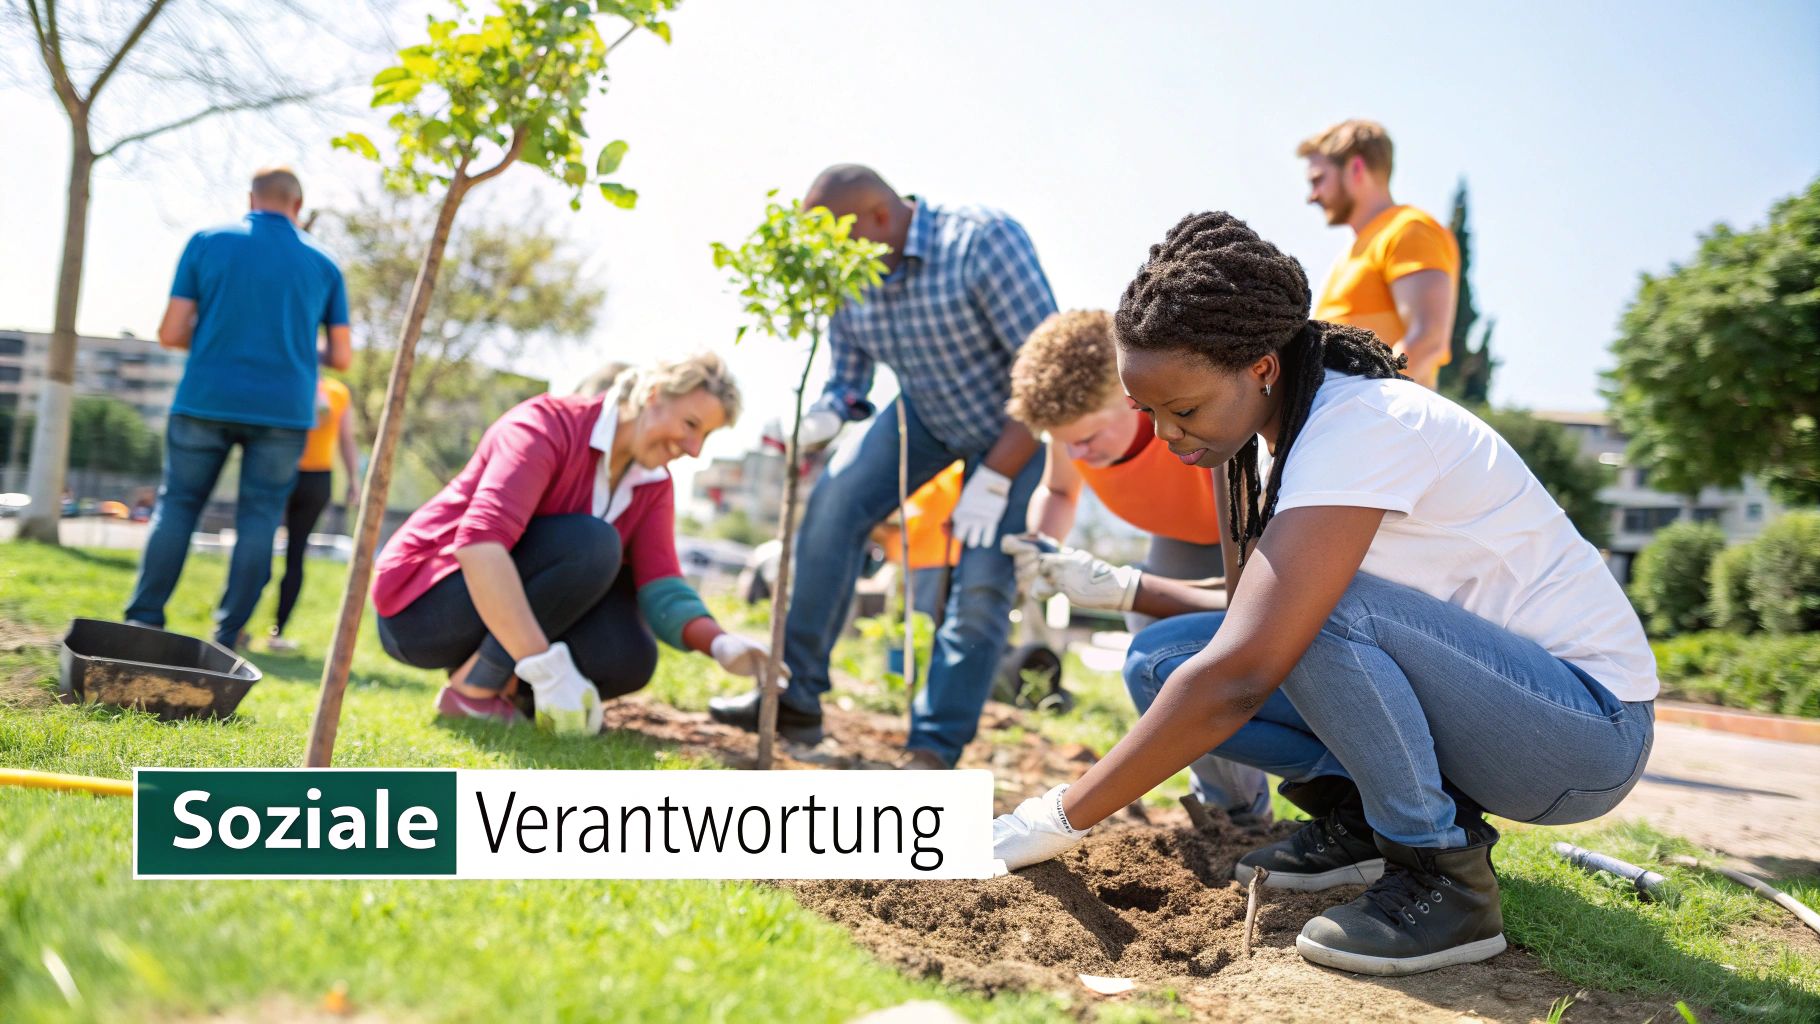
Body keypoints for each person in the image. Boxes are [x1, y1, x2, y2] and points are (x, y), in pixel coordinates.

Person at [993, 213, 1655, 977]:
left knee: (1314, 617)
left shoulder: (1360, 425)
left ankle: (1445, 878)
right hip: (1496, 708)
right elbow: (1249, 610)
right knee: (1157, 661)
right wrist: (1129, 589)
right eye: (1151, 413)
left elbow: (1247, 666)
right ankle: (1360, 823)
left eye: (1185, 410)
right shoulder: (1281, 437)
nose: (1170, 436)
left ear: (1262, 369)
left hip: (1583, 733)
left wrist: (1058, 816)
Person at [708, 164, 1056, 769]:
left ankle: (932, 747)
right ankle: (795, 697)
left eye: (839, 240)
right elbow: (848, 379)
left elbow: (1049, 374)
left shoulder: (982, 241)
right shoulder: (847, 272)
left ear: (879, 217)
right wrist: (822, 418)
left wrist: (995, 477)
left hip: (1013, 426)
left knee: (979, 582)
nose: (831, 258)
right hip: (923, 415)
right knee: (834, 503)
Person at [371, 353, 780, 732]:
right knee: (594, 544)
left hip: (490, 610)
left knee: (629, 655)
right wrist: (546, 666)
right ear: (653, 396)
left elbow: (661, 585)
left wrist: (720, 642)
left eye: (705, 437)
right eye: (691, 425)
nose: (694, 450)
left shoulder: (653, 483)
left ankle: (509, 693)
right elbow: (481, 545)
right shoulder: (545, 426)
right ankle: (475, 692)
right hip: (422, 608)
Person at [999, 309, 1270, 823]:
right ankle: (1230, 808)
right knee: (1160, 658)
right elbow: (1058, 490)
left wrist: (1133, 588)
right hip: (1180, 534)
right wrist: (1041, 545)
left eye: (1090, 438)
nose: (1078, 452)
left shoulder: (1194, 421)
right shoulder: (1071, 433)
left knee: (1221, 655)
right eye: (1066, 442)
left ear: (1135, 399)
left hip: (1249, 531)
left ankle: (1287, 805)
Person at [125, 167, 352, 650]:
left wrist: (215, 339)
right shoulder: (324, 265)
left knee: (179, 504)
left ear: (251, 199)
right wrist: (289, 349)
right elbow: (343, 356)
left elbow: (170, 333)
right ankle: (229, 635)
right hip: (283, 411)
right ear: (298, 205)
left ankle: (144, 620)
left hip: (205, 397)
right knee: (260, 517)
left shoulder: (206, 242)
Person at [1299, 120, 1459, 388]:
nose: (1312, 196)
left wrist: (1366, 413)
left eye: (1318, 180)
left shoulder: (1409, 229)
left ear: (1355, 168)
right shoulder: (1353, 253)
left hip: (1377, 425)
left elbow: (1428, 339)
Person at [266, 377, 360, 653]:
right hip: (295, 474)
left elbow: (346, 439)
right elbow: (347, 440)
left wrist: (354, 480)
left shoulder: (329, 390)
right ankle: (258, 628)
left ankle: (265, 629)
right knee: (278, 550)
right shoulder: (323, 389)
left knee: (285, 551)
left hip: (304, 476)